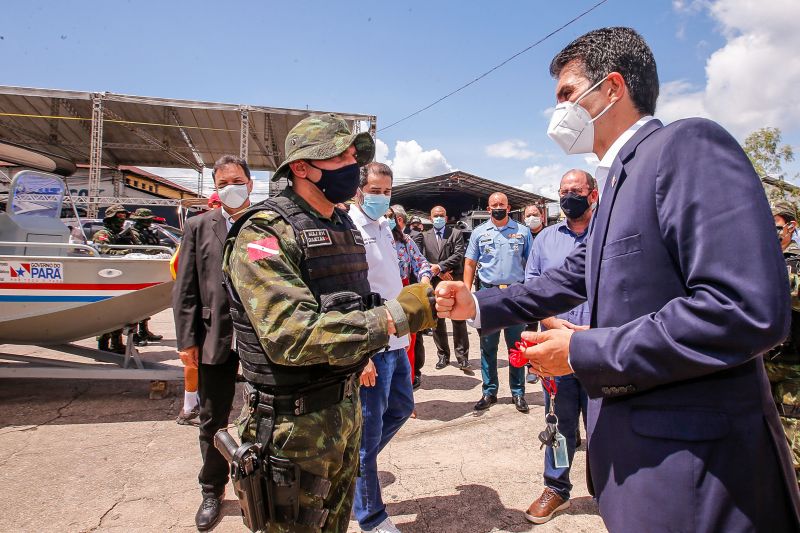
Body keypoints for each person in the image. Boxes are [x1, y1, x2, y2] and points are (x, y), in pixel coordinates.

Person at [434, 26, 800, 531]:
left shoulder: (684, 147)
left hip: (696, 476)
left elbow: (743, 309)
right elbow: (571, 277)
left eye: (566, 94)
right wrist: (476, 305)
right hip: (643, 466)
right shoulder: (622, 179)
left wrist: (584, 351)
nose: (557, 112)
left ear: (611, 88)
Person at [222, 114, 436, 533]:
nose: (352, 166)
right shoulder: (264, 233)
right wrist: (396, 315)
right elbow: (292, 335)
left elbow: (353, 303)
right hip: (292, 428)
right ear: (301, 168)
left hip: (344, 409)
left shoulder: (341, 228)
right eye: (339, 157)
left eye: (354, 156)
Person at [173, 155, 250, 530]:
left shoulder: (267, 224)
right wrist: (187, 341)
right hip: (213, 337)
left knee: (269, 418)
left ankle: (261, 485)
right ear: (216, 190)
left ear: (250, 184)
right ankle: (212, 488)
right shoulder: (199, 226)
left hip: (260, 340)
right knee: (212, 419)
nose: (230, 187)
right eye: (223, 183)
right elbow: (185, 288)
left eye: (237, 180)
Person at [349, 163, 421, 533]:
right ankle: (371, 515)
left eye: (387, 191)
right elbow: (348, 295)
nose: (381, 197)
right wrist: (360, 354)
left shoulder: (386, 228)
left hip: (397, 340)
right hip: (372, 345)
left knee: (402, 407)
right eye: (375, 190)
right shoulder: (350, 228)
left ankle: (355, 471)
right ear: (360, 190)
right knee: (368, 433)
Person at [523, 169, 595, 523]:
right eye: (563, 191)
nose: (569, 196)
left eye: (576, 190)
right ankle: (557, 487)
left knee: (606, 424)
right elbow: (533, 288)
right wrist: (551, 322)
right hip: (557, 351)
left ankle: (612, 489)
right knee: (559, 425)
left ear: (592, 195)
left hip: (601, 348)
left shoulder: (609, 235)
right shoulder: (545, 240)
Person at [463, 192, 532, 413]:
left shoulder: (523, 232)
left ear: (509, 207)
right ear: (488, 208)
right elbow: (470, 263)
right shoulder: (478, 233)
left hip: (514, 294)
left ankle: (518, 393)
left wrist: (530, 292)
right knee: (488, 346)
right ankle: (489, 391)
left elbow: (531, 263)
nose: (498, 207)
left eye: (502, 204)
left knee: (517, 347)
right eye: (494, 205)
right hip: (487, 295)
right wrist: (466, 293)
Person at [768, 199, 800, 487]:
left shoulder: (797, 260)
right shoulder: (762, 256)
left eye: (777, 226)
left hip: (793, 366)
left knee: (794, 437)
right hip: (763, 360)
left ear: (791, 226)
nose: (773, 231)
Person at [416, 205, 469, 370]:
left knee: (458, 319)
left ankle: (462, 358)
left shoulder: (456, 233)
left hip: (453, 281)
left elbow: (458, 255)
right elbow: (421, 258)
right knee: (437, 321)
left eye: (442, 215)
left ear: (446, 218)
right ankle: (443, 356)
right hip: (434, 282)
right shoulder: (424, 236)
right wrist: (438, 272)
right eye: (435, 215)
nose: (438, 218)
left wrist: (440, 267)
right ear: (431, 218)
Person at [387, 204, 432, 390]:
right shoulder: (366, 239)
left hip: (402, 295)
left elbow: (422, 263)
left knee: (408, 345)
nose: (387, 220)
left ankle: (406, 392)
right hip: (377, 297)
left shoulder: (405, 241)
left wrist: (425, 281)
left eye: (390, 217)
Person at [92, 203, 133, 353]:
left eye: (124, 216)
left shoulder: (122, 234)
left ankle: (116, 343)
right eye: (119, 216)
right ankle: (102, 346)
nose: (122, 219)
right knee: (106, 314)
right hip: (106, 277)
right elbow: (104, 251)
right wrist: (126, 252)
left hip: (121, 277)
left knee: (119, 313)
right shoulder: (103, 234)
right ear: (110, 218)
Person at [128, 208, 165, 346]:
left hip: (148, 270)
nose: (150, 221)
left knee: (146, 304)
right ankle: (135, 334)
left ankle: (144, 331)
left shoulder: (149, 232)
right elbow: (138, 249)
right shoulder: (132, 233)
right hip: (136, 271)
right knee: (135, 305)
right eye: (147, 219)